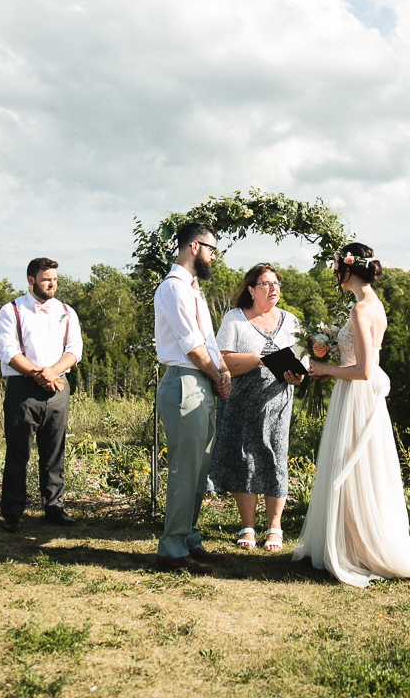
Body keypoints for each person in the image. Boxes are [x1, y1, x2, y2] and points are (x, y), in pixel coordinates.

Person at [293, 243, 410, 587]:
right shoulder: (372, 306)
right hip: (359, 397)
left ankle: (355, 547)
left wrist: (324, 367)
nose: (335, 274)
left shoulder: (360, 311)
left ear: (347, 270)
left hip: (356, 395)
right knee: (357, 467)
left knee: (351, 465)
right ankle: (351, 541)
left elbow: (364, 370)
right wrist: (328, 346)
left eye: (337, 267)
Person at [206, 265, 305, 551]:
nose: (273, 288)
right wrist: (260, 359)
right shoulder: (234, 319)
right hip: (241, 403)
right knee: (245, 460)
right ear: (251, 289)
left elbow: (301, 362)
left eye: (276, 283)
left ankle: (275, 526)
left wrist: (297, 375)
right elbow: (222, 361)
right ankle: (247, 526)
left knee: (276, 460)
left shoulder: (290, 321)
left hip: (277, 404)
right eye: (266, 284)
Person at [153, 223, 233, 574]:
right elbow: (191, 346)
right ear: (193, 246)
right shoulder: (173, 289)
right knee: (185, 470)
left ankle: (188, 539)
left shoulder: (193, 289)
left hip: (203, 380)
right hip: (185, 381)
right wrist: (216, 377)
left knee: (199, 470)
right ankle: (171, 549)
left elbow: (209, 341)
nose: (214, 256)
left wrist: (223, 372)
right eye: (211, 248)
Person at [0, 257, 83, 533]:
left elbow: (74, 350)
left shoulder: (67, 311)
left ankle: (54, 507)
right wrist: (37, 374)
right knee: (18, 453)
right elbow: (8, 351)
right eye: (46, 279)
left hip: (57, 387)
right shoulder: (11, 311)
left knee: (54, 452)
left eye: (55, 279)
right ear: (31, 280)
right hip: (23, 388)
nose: (52, 284)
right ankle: (12, 511)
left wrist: (52, 372)